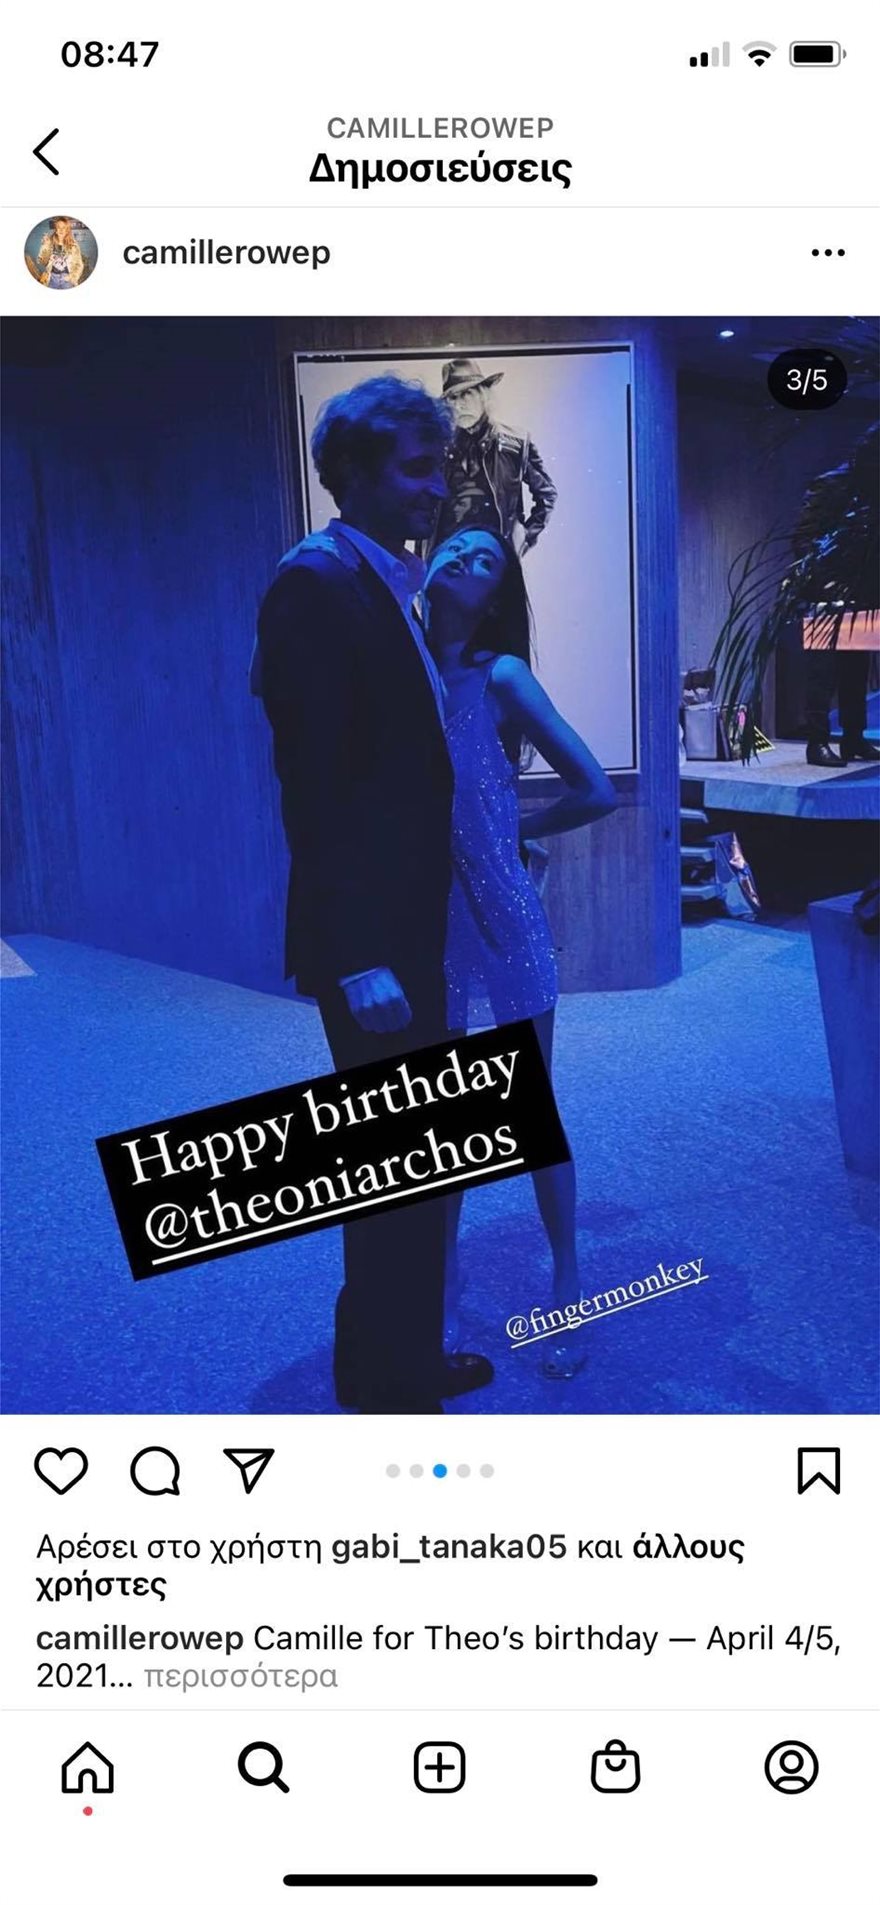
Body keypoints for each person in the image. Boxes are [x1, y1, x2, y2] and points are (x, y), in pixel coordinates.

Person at [253, 376, 494, 1414]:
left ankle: (390, 1359)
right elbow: (313, 786)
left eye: (440, 466)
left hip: (406, 921)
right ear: (351, 473)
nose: (438, 488)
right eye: (417, 468)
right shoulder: (315, 584)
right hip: (372, 940)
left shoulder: (381, 576)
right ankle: (391, 1383)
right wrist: (355, 956)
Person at [424, 527, 617, 1378]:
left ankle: (567, 1281)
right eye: (454, 546)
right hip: (426, 922)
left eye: (484, 560)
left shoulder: (501, 676)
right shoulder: (399, 662)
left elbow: (596, 788)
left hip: (504, 916)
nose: (462, 559)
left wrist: (513, 829)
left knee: (527, 1110)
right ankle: (444, 1282)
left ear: (496, 596)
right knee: (444, 1120)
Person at [427, 358, 558, 558]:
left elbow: (546, 496)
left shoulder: (516, 443)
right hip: (445, 556)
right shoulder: (437, 446)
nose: (460, 405)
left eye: (467, 394)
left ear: (483, 395)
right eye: (453, 398)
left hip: (495, 559)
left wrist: (522, 540)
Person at [36, 218, 84, 290]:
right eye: (59, 227)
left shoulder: (73, 245)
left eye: (63, 228)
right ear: (56, 230)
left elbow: (79, 264)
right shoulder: (49, 243)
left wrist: (72, 276)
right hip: (52, 278)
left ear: (67, 230)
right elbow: (42, 261)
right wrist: (45, 246)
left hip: (67, 279)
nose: (61, 230)